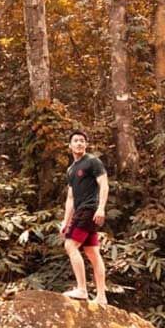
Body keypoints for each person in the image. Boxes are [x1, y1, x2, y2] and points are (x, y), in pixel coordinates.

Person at [60, 130, 109, 304]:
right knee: (92, 252)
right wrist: (65, 222)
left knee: (70, 245)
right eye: (76, 140)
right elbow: (70, 198)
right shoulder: (71, 170)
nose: (79, 143)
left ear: (86, 144)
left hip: (89, 209)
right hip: (80, 209)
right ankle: (101, 296)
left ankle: (82, 289)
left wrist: (101, 208)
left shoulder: (92, 161)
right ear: (70, 145)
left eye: (82, 141)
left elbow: (104, 184)